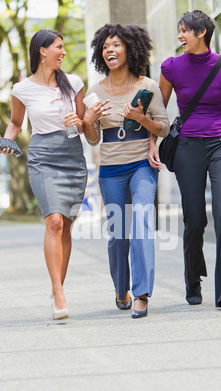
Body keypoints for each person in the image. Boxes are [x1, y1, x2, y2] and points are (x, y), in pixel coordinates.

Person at [156, 10, 221, 311]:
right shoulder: (171, 67)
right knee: (195, 218)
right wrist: (151, 143)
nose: (179, 36)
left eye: (184, 31)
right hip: (187, 147)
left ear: (201, 33)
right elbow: (158, 113)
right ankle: (192, 277)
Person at [0, 29, 88, 320]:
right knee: (53, 222)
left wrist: (81, 120)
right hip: (43, 157)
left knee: (66, 225)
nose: (63, 52)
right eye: (59, 47)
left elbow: (86, 123)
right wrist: (7, 140)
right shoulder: (21, 89)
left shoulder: (73, 83)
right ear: (42, 51)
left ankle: (57, 286)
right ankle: (59, 293)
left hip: (73, 155)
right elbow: (15, 122)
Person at [83, 24, 170, 318]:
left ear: (130, 49)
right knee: (118, 233)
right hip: (110, 169)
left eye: (116, 45)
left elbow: (165, 127)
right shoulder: (95, 91)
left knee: (142, 223)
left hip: (142, 166)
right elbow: (93, 139)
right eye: (106, 46)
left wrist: (141, 119)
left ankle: (142, 293)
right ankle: (122, 289)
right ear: (100, 53)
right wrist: (88, 121)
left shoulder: (148, 86)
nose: (110, 50)